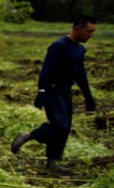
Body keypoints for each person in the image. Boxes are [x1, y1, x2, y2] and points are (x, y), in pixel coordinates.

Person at [11, 16, 97, 172]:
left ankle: (52, 162)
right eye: (88, 31)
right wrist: (41, 92)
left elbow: (80, 75)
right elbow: (46, 70)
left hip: (65, 91)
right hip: (52, 90)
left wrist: (88, 96)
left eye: (93, 32)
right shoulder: (59, 46)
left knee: (65, 126)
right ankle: (29, 136)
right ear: (77, 29)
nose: (90, 35)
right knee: (61, 126)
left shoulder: (80, 50)